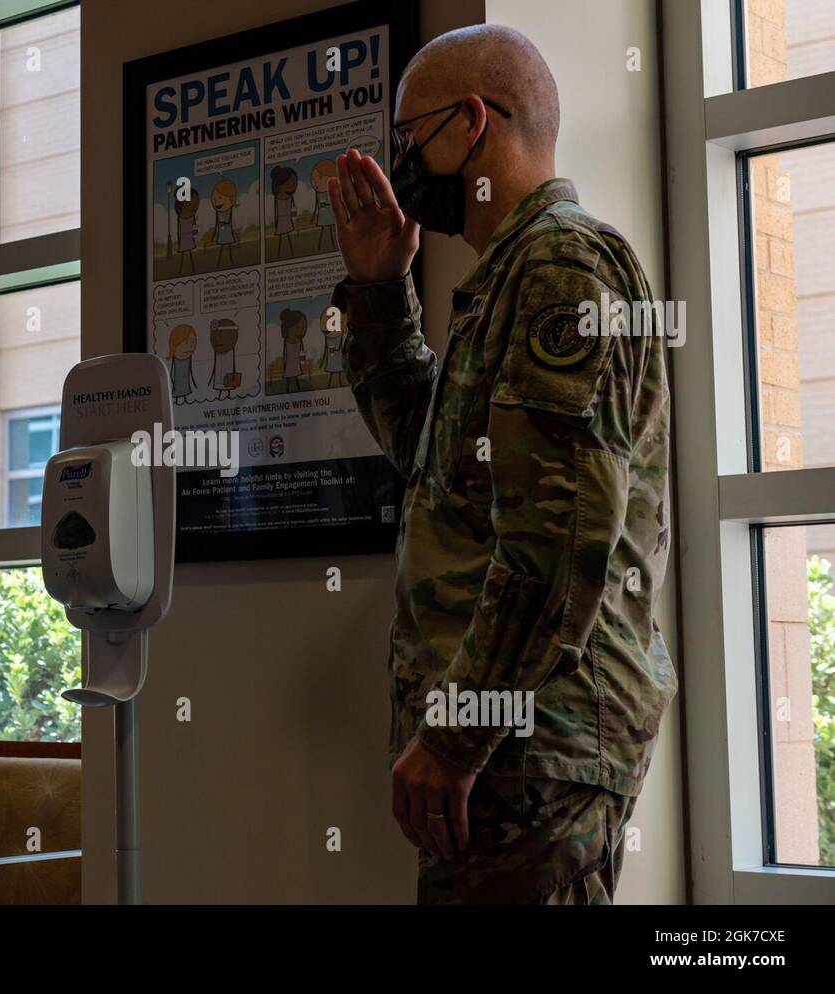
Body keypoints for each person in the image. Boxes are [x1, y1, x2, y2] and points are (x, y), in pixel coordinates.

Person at [327, 25, 676, 904]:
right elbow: (428, 458)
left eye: (409, 138)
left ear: (471, 123)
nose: (400, 162)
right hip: (508, 746)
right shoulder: (511, 277)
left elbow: (557, 541)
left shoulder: (561, 268)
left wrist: (454, 737)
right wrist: (377, 288)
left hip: (532, 744)